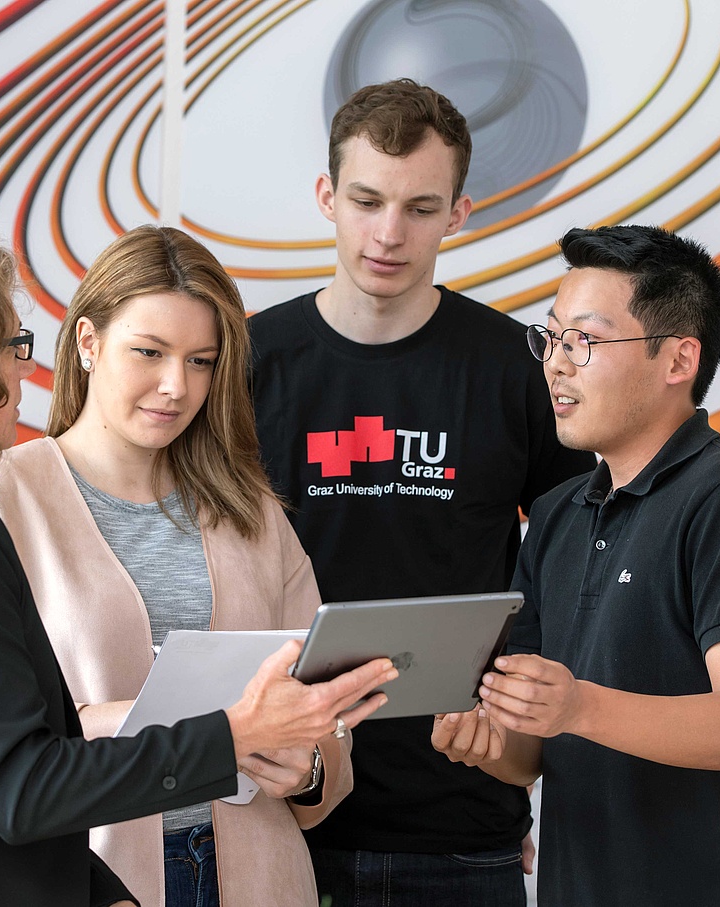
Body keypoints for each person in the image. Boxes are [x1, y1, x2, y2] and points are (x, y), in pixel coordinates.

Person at [0, 231, 398, 907]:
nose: (19, 370)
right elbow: (18, 783)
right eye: (11, 347)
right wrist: (237, 731)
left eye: (202, 360)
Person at [248, 78, 596, 906]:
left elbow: (579, 567)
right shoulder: (248, 362)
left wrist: (524, 738)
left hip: (462, 811)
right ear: (327, 196)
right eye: (367, 200)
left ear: (460, 212)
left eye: (420, 207)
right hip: (279, 809)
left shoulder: (516, 365)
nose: (389, 233)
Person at [0, 224, 370, 907]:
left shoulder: (251, 508)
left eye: (201, 361)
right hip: (91, 873)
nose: (174, 386)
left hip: (258, 868)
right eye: (149, 352)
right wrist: (184, 727)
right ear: (89, 343)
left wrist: (305, 766)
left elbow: (324, 705)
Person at [432, 224, 720, 905]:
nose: (556, 364)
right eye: (552, 336)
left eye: (585, 341)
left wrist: (579, 704)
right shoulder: (558, 512)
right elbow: (534, 750)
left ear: (678, 360)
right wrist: (489, 742)